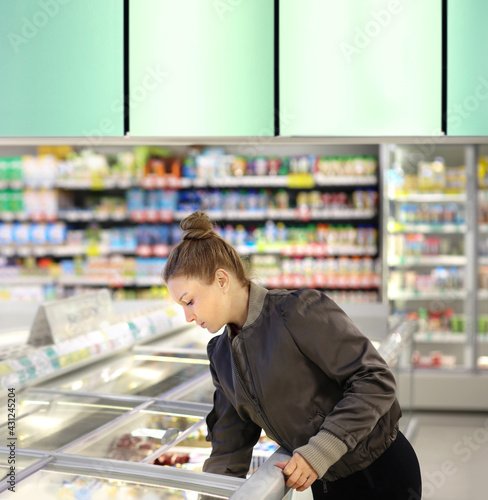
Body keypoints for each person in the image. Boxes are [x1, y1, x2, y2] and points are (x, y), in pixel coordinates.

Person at [163, 211, 422, 500]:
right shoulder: (222, 355)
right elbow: (229, 444)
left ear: (222, 280)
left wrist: (319, 451)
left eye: (190, 301)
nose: (187, 316)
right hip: (327, 484)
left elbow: (375, 380)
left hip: (381, 472)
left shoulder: (297, 312)